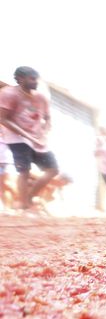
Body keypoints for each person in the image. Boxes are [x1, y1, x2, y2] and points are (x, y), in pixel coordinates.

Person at [0, 66, 59, 211]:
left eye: (36, 79)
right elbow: (3, 118)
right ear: (20, 79)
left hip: (37, 138)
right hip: (16, 138)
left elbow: (48, 118)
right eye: (32, 79)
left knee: (53, 169)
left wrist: (44, 135)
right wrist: (26, 135)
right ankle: (24, 205)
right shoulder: (8, 94)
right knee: (24, 171)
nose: (35, 82)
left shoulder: (41, 97)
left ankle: (29, 198)